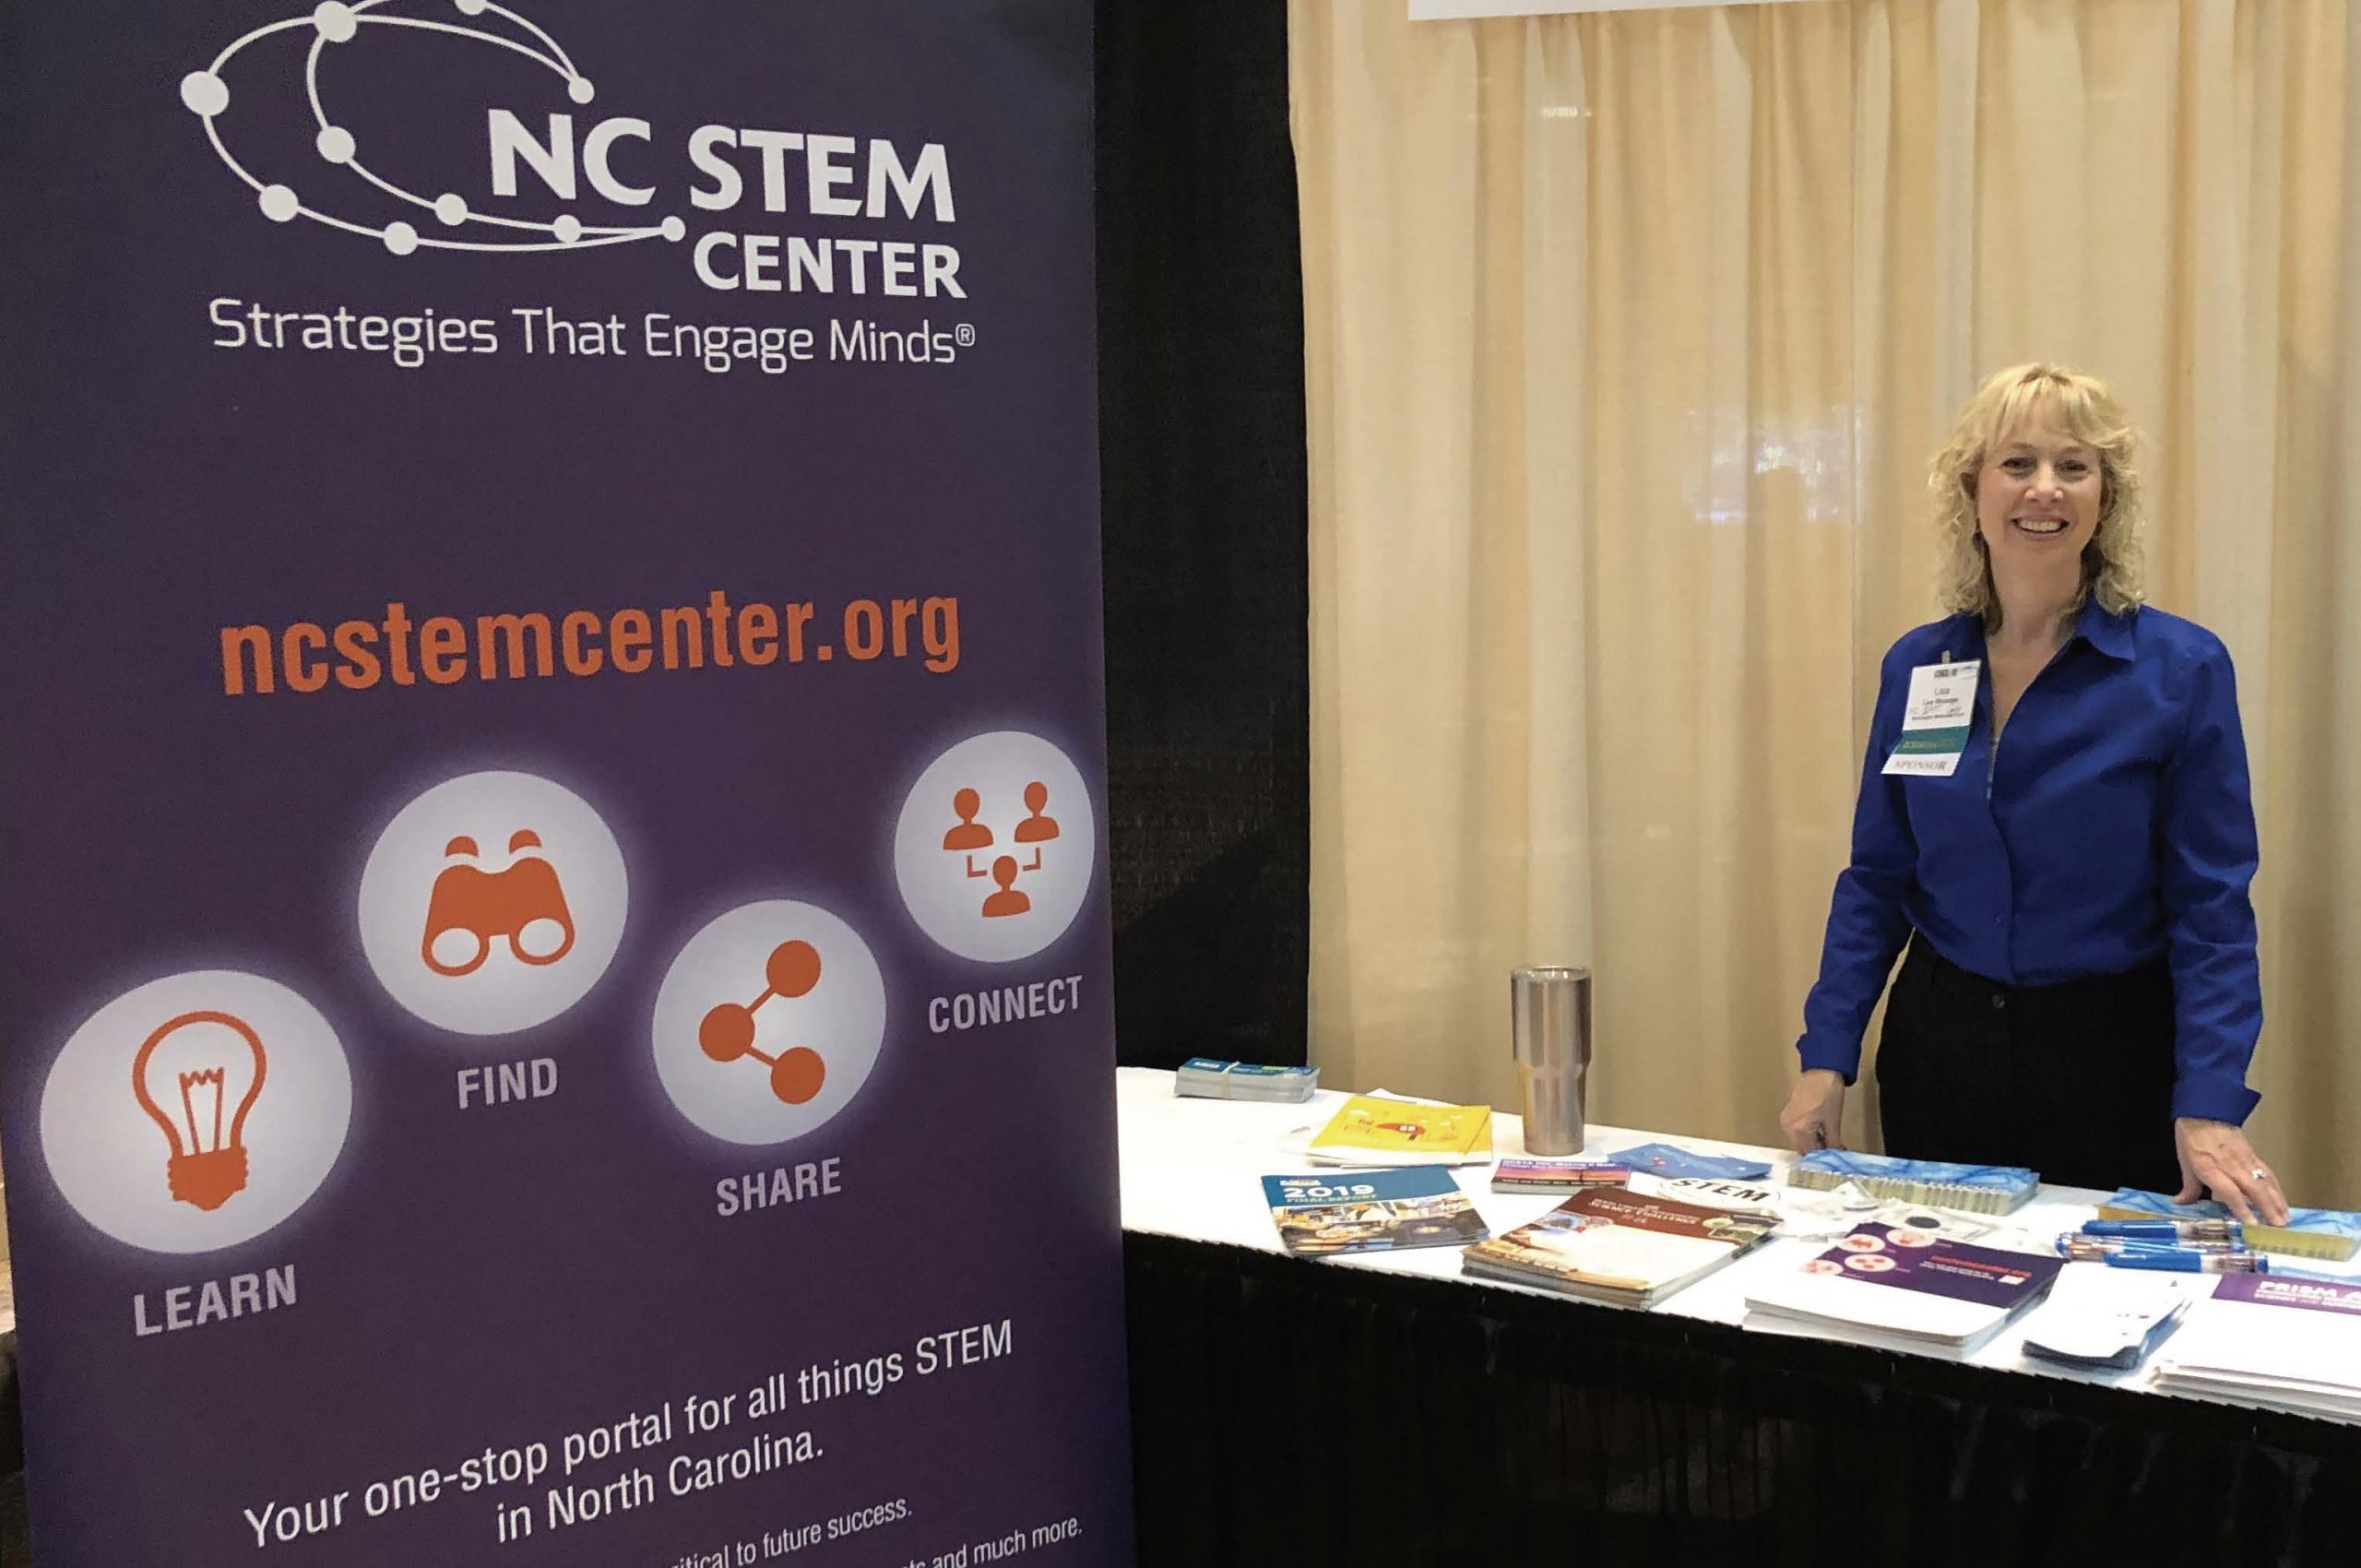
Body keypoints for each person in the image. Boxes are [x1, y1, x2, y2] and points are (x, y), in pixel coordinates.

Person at [1779, 363, 2289, 1225]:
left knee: (2106, 1297)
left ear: (2105, 497)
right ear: (1971, 489)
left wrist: (2209, 1098)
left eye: (2073, 466)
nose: (2044, 489)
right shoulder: (1921, 665)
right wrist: (1826, 1053)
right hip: (1941, 1050)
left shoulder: (2181, 669)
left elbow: (2210, 906)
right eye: (2017, 463)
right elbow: (1878, 878)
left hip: (2113, 1056)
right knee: (1929, 1280)